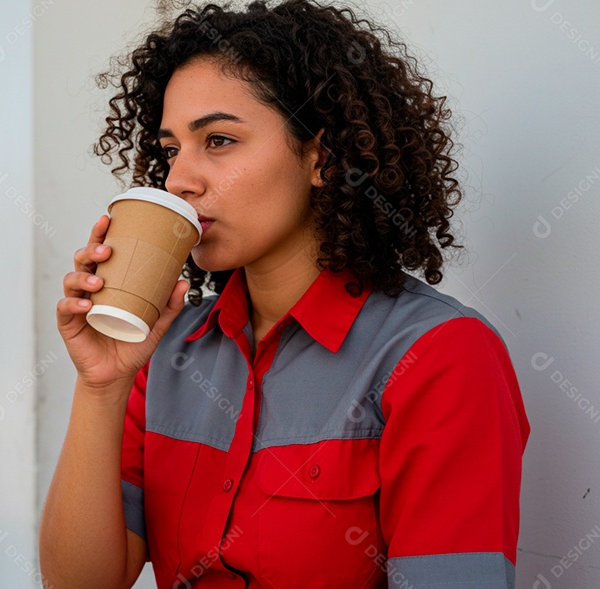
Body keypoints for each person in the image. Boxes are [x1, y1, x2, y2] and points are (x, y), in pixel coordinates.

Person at [40, 2, 530, 588]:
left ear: (321, 156)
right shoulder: (164, 353)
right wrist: (101, 385)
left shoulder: (440, 356)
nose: (177, 180)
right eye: (171, 150)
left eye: (218, 140)